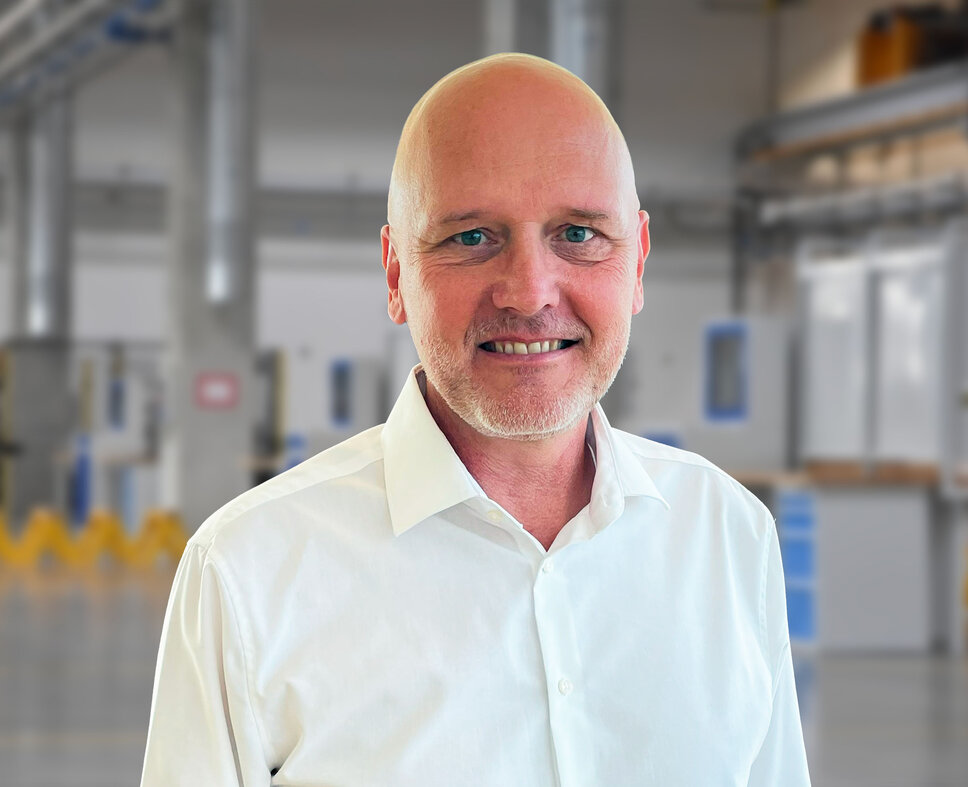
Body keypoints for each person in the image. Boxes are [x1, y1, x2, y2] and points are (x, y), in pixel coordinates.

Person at [141, 53, 811, 786]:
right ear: (397, 275)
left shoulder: (729, 538)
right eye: (471, 237)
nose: (529, 293)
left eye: (579, 234)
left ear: (639, 262)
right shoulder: (248, 573)